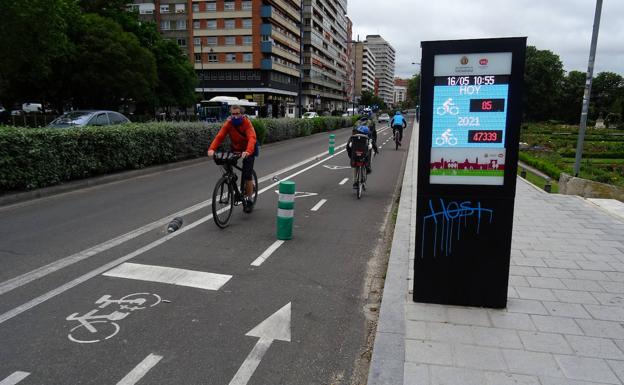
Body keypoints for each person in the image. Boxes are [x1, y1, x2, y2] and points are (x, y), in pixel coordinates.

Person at [207, 105, 257, 213]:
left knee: (247, 174)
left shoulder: (246, 123)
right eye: (233, 114)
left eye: (237, 114)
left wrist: (248, 151)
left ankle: (249, 199)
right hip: (235, 149)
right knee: (225, 162)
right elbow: (219, 137)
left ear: (242, 114)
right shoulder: (229, 123)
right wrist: (211, 149)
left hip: (249, 149)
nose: (235, 116)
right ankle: (232, 179)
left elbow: (252, 138)